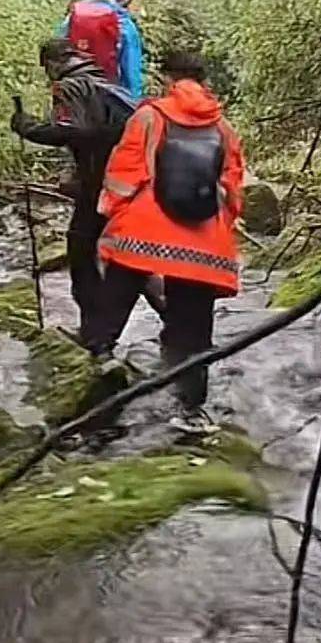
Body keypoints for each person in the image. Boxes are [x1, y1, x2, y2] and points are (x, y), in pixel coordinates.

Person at [95, 49, 244, 432]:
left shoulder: (148, 116)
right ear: (203, 79)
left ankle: (101, 353)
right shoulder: (223, 128)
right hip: (203, 243)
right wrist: (220, 225)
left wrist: (111, 213)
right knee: (194, 327)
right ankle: (192, 407)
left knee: (120, 281)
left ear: (168, 79)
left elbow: (125, 171)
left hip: (146, 229)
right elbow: (232, 187)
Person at [11, 39, 136, 352]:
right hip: (129, 181)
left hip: (101, 183)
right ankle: (168, 325)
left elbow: (73, 131)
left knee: (81, 249)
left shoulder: (69, 86)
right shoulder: (105, 81)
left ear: (51, 64)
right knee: (130, 256)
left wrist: (28, 128)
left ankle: (95, 333)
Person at [59, 0, 144, 98]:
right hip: (106, 93)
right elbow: (131, 72)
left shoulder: (77, 13)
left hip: (73, 87)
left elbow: (58, 43)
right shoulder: (124, 25)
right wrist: (135, 102)